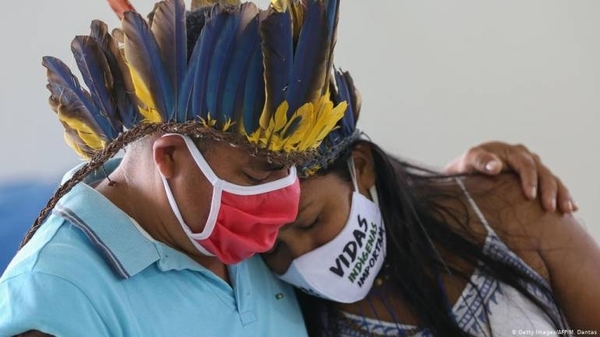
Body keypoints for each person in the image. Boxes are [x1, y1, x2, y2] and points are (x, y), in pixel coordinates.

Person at [0, 0, 578, 336]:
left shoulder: (238, 241)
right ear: (171, 156)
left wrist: (470, 188)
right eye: (257, 177)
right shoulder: (54, 295)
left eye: (290, 177)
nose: (278, 218)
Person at [262, 69, 600, 336]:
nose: (303, 256)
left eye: (311, 221)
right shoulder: (281, 313)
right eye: (273, 248)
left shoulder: (505, 207)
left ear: (361, 168)